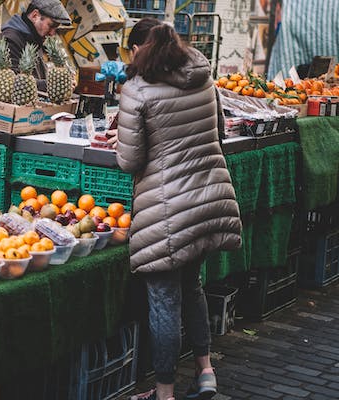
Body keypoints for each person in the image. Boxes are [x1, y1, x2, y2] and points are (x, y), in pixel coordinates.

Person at [114, 20, 243, 400]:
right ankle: (206, 372)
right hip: (208, 200)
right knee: (193, 287)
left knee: (164, 301)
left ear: (140, 49)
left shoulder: (137, 90)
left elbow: (129, 160)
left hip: (168, 211)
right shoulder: (202, 76)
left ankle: (165, 392)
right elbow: (218, 130)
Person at [0, 0, 71, 93]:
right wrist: (52, 84)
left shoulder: (34, 40)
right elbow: (14, 83)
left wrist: (62, 82)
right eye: (51, 25)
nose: (52, 33)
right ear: (35, 16)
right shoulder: (9, 41)